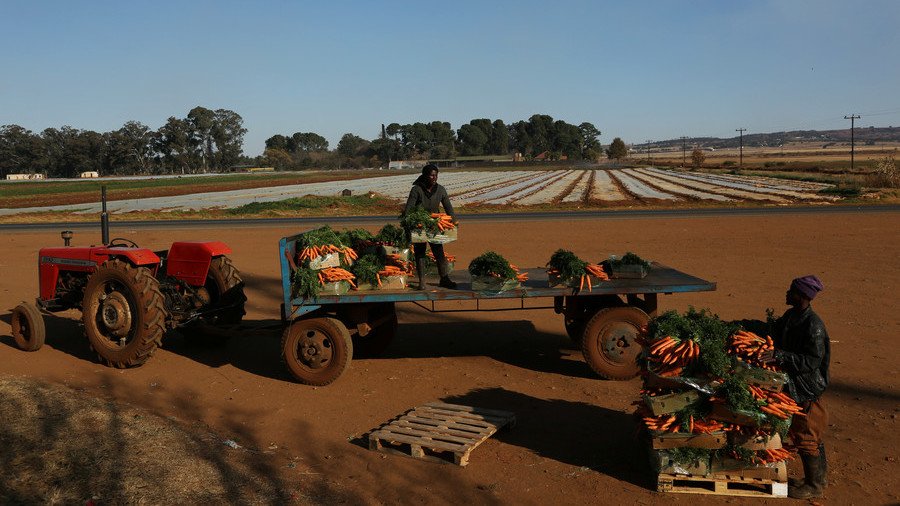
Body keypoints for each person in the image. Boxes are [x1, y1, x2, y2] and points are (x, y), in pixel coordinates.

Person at [761, 275, 830, 499]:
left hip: (807, 388)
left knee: (807, 434)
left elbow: (812, 361)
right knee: (805, 434)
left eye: (791, 291)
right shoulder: (792, 316)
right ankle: (818, 479)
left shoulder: (814, 326)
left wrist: (780, 356)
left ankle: (814, 486)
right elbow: (773, 330)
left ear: (801, 296)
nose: (787, 293)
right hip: (796, 385)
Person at [404, 164, 457, 290]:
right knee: (420, 252)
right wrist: (410, 223)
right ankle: (422, 282)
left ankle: (444, 279)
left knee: (439, 252)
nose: (434, 178)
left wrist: (453, 221)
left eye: (436, 175)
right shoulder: (417, 190)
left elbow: (448, 207)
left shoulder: (441, 190)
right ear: (425, 176)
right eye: (431, 175)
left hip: (434, 224)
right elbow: (409, 210)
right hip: (419, 224)